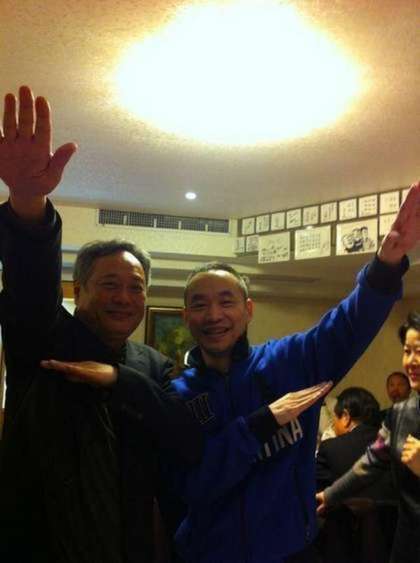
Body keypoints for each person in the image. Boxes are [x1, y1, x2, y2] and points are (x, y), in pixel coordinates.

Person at [161, 178, 420, 563]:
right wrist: (260, 425)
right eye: (200, 305)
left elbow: (346, 326)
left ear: (248, 310)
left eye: (227, 301)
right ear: (186, 317)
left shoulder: (289, 361)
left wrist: (385, 267)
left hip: (292, 551)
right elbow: (192, 486)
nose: (214, 315)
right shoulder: (179, 395)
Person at [0, 86, 203, 563]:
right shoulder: (46, 340)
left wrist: (117, 379)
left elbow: (184, 436)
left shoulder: (152, 366)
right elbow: (31, 288)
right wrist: (27, 201)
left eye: (136, 287)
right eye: (110, 284)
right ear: (79, 290)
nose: (125, 298)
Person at [316, 311, 420, 563]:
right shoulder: (399, 414)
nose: (411, 361)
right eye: (407, 351)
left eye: (418, 351)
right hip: (408, 542)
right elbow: (371, 462)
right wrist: (330, 495)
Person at [316, 387, 383, 491]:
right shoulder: (392, 443)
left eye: (335, 418)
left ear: (345, 417)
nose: (334, 425)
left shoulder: (330, 448)